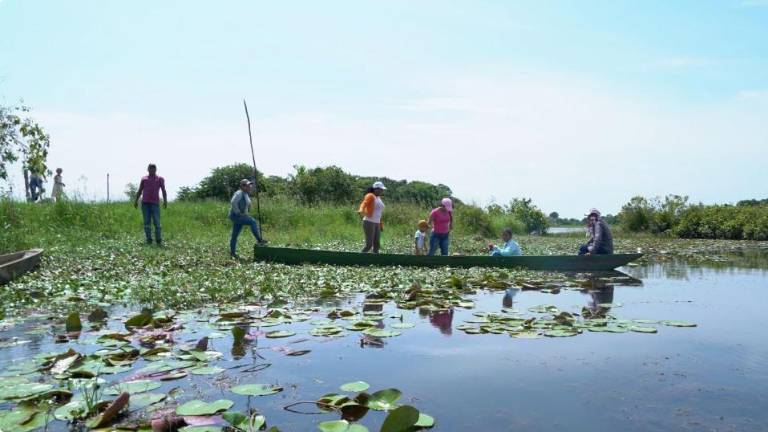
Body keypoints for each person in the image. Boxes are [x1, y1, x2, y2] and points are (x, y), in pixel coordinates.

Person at [229, 179, 267, 258]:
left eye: (250, 185)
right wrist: (238, 213)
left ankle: (232, 253)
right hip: (236, 216)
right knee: (252, 222)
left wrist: (246, 212)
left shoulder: (245, 193)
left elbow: (246, 204)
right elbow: (233, 202)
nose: (250, 186)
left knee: (234, 235)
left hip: (239, 216)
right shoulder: (239, 193)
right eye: (248, 185)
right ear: (243, 186)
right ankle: (259, 240)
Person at [133, 163, 168, 245]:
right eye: (150, 168)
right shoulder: (144, 179)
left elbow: (163, 190)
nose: (152, 170)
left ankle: (158, 240)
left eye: (153, 168)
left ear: (156, 169)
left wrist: (165, 201)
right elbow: (140, 190)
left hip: (155, 203)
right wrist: (136, 201)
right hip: (145, 204)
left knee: (157, 222)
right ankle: (149, 239)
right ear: (148, 169)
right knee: (146, 222)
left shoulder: (160, 179)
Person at [358, 181, 386, 253]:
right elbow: (364, 203)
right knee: (369, 245)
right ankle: (358, 258)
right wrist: (361, 210)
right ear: (376, 189)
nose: (382, 191)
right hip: (369, 222)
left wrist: (381, 224)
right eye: (381, 189)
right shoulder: (370, 195)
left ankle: (375, 261)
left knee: (377, 244)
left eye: (382, 189)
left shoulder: (378, 198)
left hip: (377, 223)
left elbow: (379, 213)